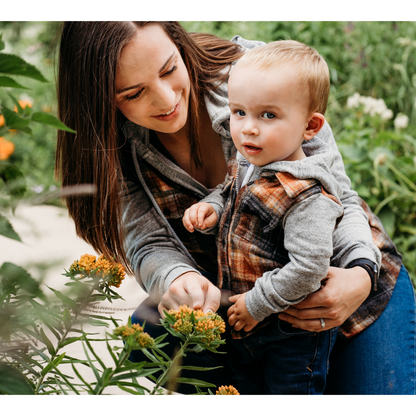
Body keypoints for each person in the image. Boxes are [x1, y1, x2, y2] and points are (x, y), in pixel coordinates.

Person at [55, 21, 416, 394]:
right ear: (99, 99)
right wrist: (177, 278)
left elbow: (340, 197)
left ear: (179, 44)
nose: (165, 100)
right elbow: (147, 243)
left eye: (168, 70)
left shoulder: (259, 74)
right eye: (133, 93)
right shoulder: (113, 146)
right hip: (250, 312)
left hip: (344, 280)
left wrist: (360, 274)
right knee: (152, 331)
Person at [182, 40, 344, 394]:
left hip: (289, 333)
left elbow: (310, 266)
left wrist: (257, 305)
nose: (248, 128)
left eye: (268, 115)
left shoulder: (306, 193)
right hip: (248, 320)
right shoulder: (250, 163)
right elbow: (231, 193)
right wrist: (213, 207)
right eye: (239, 112)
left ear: (310, 126)